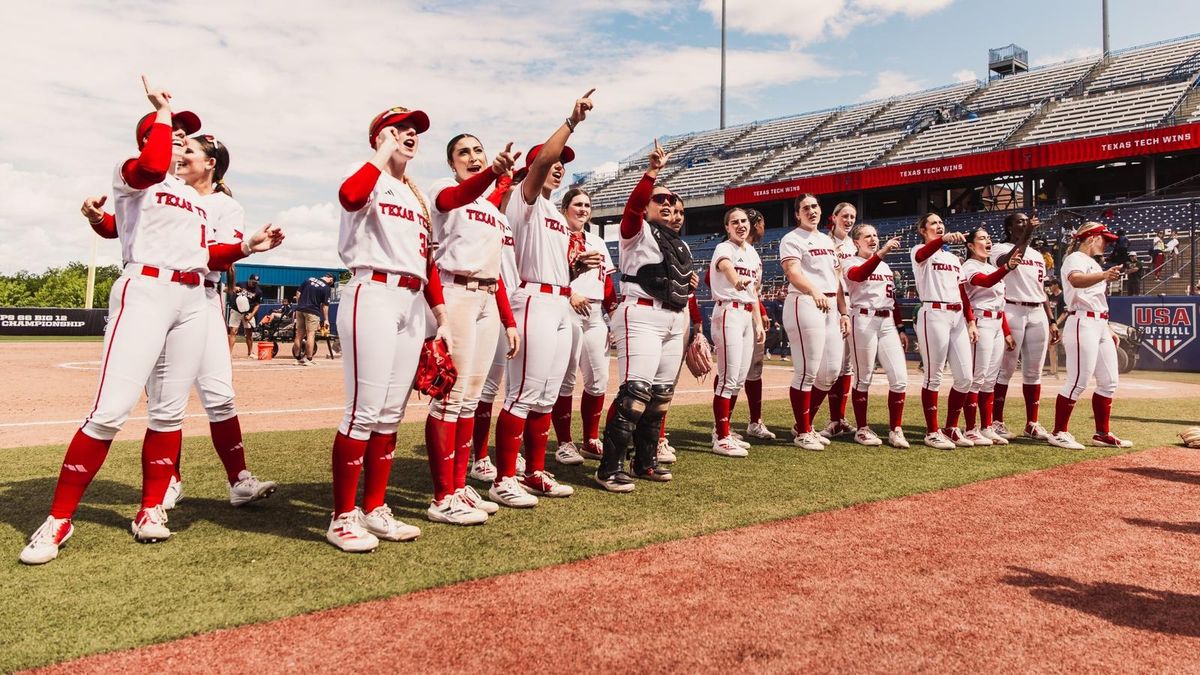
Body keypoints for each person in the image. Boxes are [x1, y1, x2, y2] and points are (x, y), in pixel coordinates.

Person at [20, 78, 283, 565]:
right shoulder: (132, 174)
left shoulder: (199, 199)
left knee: (168, 413)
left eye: (187, 134)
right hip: (144, 290)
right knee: (109, 412)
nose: (184, 138)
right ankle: (58, 520)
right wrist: (163, 112)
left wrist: (249, 246)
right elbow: (149, 168)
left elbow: (208, 254)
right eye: (176, 132)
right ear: (152, 135)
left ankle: (149, 510)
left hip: (190, 297)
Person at [326, 105, 453, 552]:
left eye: (415, 130)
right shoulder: (369, 174)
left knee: (390, 413)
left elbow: (429, 262)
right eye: (400, 129)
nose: (411, 135)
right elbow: (350, 196)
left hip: (411, 300)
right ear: (380, 136)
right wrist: (380, 153)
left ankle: (375, 508)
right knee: (362, 410)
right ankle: (343, 517)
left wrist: (441, 316)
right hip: (372, 291)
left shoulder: (415, 196)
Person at [490, 90, 604, 506]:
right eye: (553, 161)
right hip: (532, 299)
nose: (558, 167)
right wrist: (571, 121)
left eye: (563, 164)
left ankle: (535, 471)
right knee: (522, 393)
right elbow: (538, 163)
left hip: (559, 300)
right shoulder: (525, 199)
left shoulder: (556, 215)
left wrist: (576, 268)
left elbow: (553, 262)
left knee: (546, 393)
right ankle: (504, 478)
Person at [423, 132, 520, 524]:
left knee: (469, 400)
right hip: (454, 291)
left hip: (485, 296)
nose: (473, 156)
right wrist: (495, 174)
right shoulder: (444, 188)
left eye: (478, 150)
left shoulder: (492, 209)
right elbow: (457, 199)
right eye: (464, 152)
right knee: (448, 397)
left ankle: (459, 485)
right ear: (452, 163)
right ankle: (441, 496)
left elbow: (493, 269)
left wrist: (508, 321)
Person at [595, 138, 694, 492]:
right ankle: (609, 468)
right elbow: (634, 207)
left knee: (660, 396)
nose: (669, 207)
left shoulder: (680, 244)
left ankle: (645, 462)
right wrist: (652, 174)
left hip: (671, 318)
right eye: (661, 201)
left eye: (676, 205)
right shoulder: (635, 232)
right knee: (635, 392)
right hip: (639, 315)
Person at [1048, 222, 1132, 449]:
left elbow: (1097, 300)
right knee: (1078, 380)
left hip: (1098, 322)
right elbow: (1075, 280)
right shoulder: (1075, 258)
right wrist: (1104, 275)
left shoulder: (1093, 263)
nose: (1107, 243)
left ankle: (1102, 434)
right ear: (1092, 237)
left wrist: (1107, 327)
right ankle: (1058, 432)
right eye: (1104, 238)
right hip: (1081, 321)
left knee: (1109, 381)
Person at [551, 188, 616, 465]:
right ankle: (564, 442)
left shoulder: (597, 241)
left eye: (587, 205)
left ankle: (590, 439)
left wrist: (614, 313)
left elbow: (608, 281)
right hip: (566, 308)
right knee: (565, 380)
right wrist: (568, 293)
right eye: (577, 204)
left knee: (599, 380)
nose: (583, 209)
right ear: (565, 207)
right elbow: (547, 274)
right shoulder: (554, 235)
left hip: (595, 311)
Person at [779, 194, 849, 452]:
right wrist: (813, 291)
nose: (812, 211)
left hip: (830, 305)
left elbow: (837, 280)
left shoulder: (827, 241)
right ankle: (804, 431)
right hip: (805, 302)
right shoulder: (792, 238)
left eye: (815, 206)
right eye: (805, 208)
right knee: (807, 371)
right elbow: (793, 273)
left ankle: (803, 424)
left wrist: (844, 313)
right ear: (797, 214)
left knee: (830, 372)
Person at [910, 213, 978, 450]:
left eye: (941, 223)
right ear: (922, 229)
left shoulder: (953, 258)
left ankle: (951, 427)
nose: (938, 226)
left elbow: (962, 292)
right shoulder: (919, 250)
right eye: (933, 223)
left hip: (957, 315)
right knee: (934, 375)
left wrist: (970, 321)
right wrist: (943, 239)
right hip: (933, 311)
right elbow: (922, 254)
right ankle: (932, 431)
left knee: (966, 378)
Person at [990, 213, 1059, 441]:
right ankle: (996, 420)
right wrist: (1028, 234)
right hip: (1012, 307)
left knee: (1034, 371)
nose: (1024, 223)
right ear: (1009, 227)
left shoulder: (1038, 255)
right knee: (1006, 369)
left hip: (1037, 310)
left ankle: (1032, 422)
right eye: (1019, 221)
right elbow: (1005, 264)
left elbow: (1042, 290)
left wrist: (1052, 320)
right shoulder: (999, 247)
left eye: (1025, 221)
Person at [843, 224, 909, 448]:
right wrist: (882, 253)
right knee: (864, 376)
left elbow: (893, 299)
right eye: (867, 236)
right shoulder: (851, 262)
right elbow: (859, 276)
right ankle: (861, 428)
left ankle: (896, 429)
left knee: (900, 378)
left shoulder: (886, 266)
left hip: (887, 320)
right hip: (862, 319)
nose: (873, 239)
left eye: (875, 236)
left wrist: (900, 328)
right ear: (856, 242)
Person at [709, 208, 765, 457]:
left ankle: (723, 429)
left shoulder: (752, 253)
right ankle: (721, 437)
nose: (741, 225)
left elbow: (754, 293)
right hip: (728, 311)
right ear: (727, 228)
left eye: (743, 221)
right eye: (735, 222)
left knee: (739, 379)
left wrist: (758, 323)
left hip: (745, 315)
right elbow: (726, 267)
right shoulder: (725, 248)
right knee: (728, 377)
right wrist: (736, 281)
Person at [961, 227, 1020, 446]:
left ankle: (986, 427)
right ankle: (969, 429)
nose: (988, 241)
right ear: (970, 245)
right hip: (980, 322)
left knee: (990, 380)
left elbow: (1000, 304)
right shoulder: (969, 266)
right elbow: (985, 282)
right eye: (982, 238)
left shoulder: (991, 267)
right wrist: (1006, 268)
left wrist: (1006, 332)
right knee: (977, 377)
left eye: (989, 238)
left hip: (995, 322)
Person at [817, 202, 858, 440]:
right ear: (833, 217)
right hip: (832, 303)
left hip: (854, 304)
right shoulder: (825, 242)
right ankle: (813, 419)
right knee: (829, 365)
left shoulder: (855, 244)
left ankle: (839, 419)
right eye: (844, 215)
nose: (849, 220)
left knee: (847, 366)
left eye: (852, 216)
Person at [739, 209, 776, 440]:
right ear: (758, 223)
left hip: (750, 312)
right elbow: (711, 279)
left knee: (754, 370)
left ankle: (755, 421)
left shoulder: (751, 252)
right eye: (763, 223)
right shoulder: (731, 248)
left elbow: (753, 290)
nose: (764, 229)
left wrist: (760, 311)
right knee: (730, 371)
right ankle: (720, 426)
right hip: (734, 314)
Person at [294, 272, 335, 366]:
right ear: (331, 279)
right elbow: (325, 306)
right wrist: (326, 319)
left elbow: (298, 293)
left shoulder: (309, 279)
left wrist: (299, 304)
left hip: (300, 309)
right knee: (310, 335)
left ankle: (297, 359)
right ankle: (309, 359)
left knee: (299, 335)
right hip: (312, 311)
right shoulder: (326, 288)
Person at [227, 273, 263, 357]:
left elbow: (257, 304)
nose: (254, 284)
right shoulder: (241, 284)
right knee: (233, 331)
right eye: (253, 282)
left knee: (249, 332)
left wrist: (251, 315)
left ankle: (250, 353)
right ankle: (229, 353)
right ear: (249, 280)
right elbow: (230, 290)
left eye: (256, 282)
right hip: (236, 310)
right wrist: (234, 288)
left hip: (248, 312)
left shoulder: (258, 291)